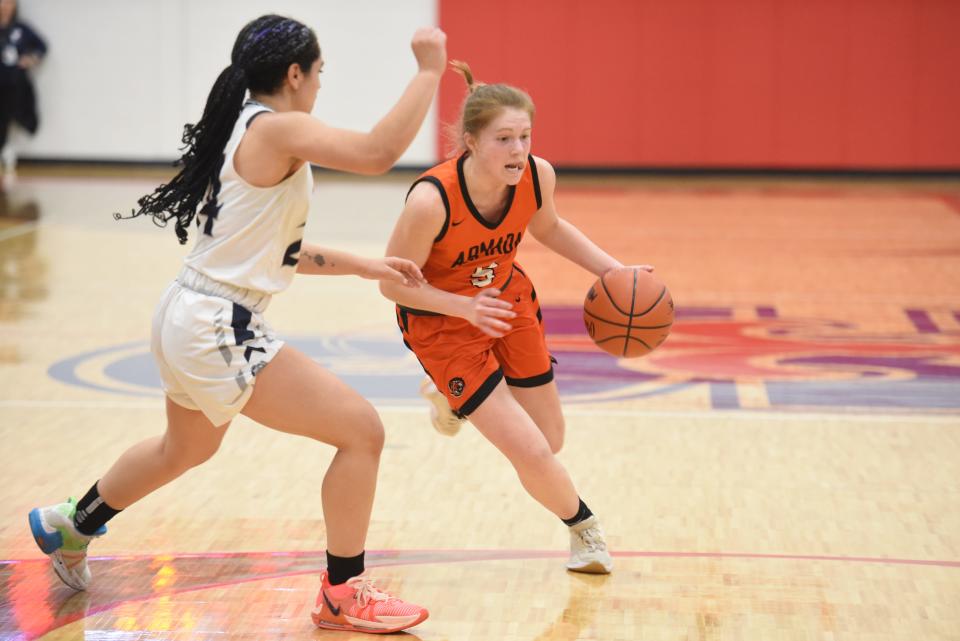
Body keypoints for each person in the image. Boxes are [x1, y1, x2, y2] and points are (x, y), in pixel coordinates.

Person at [29, 14, 445, 635]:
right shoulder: (278, 127)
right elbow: (379, 153)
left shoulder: (242, 127)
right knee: (361, 432)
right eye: (320, 73)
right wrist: (429, 70)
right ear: (296, 73)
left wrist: (363, 265)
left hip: (185, 309)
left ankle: (73, 521)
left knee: (186, 447)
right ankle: (341, 592)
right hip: (216, 322)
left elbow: (273, 250)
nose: (321, 86)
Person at [381, 61, 653, 574]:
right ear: (471, 142)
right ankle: (585, 531)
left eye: (524, 136)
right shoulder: (429, 201)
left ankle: (448, 398)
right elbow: (392, 282)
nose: (518, 150)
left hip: (508, 305)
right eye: (503, 139)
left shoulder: (536, 175)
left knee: (550, 439)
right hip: (442, 322)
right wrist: (464, 306)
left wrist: (615, 272)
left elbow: (548, 227)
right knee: (530, 451)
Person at [0, 0, 46, 179]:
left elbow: (41, 47)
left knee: (15, 114)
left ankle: (6, 151)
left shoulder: (20, 29)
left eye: (9, 2)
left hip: (14, 83)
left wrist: (30, 59)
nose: (4, 6)